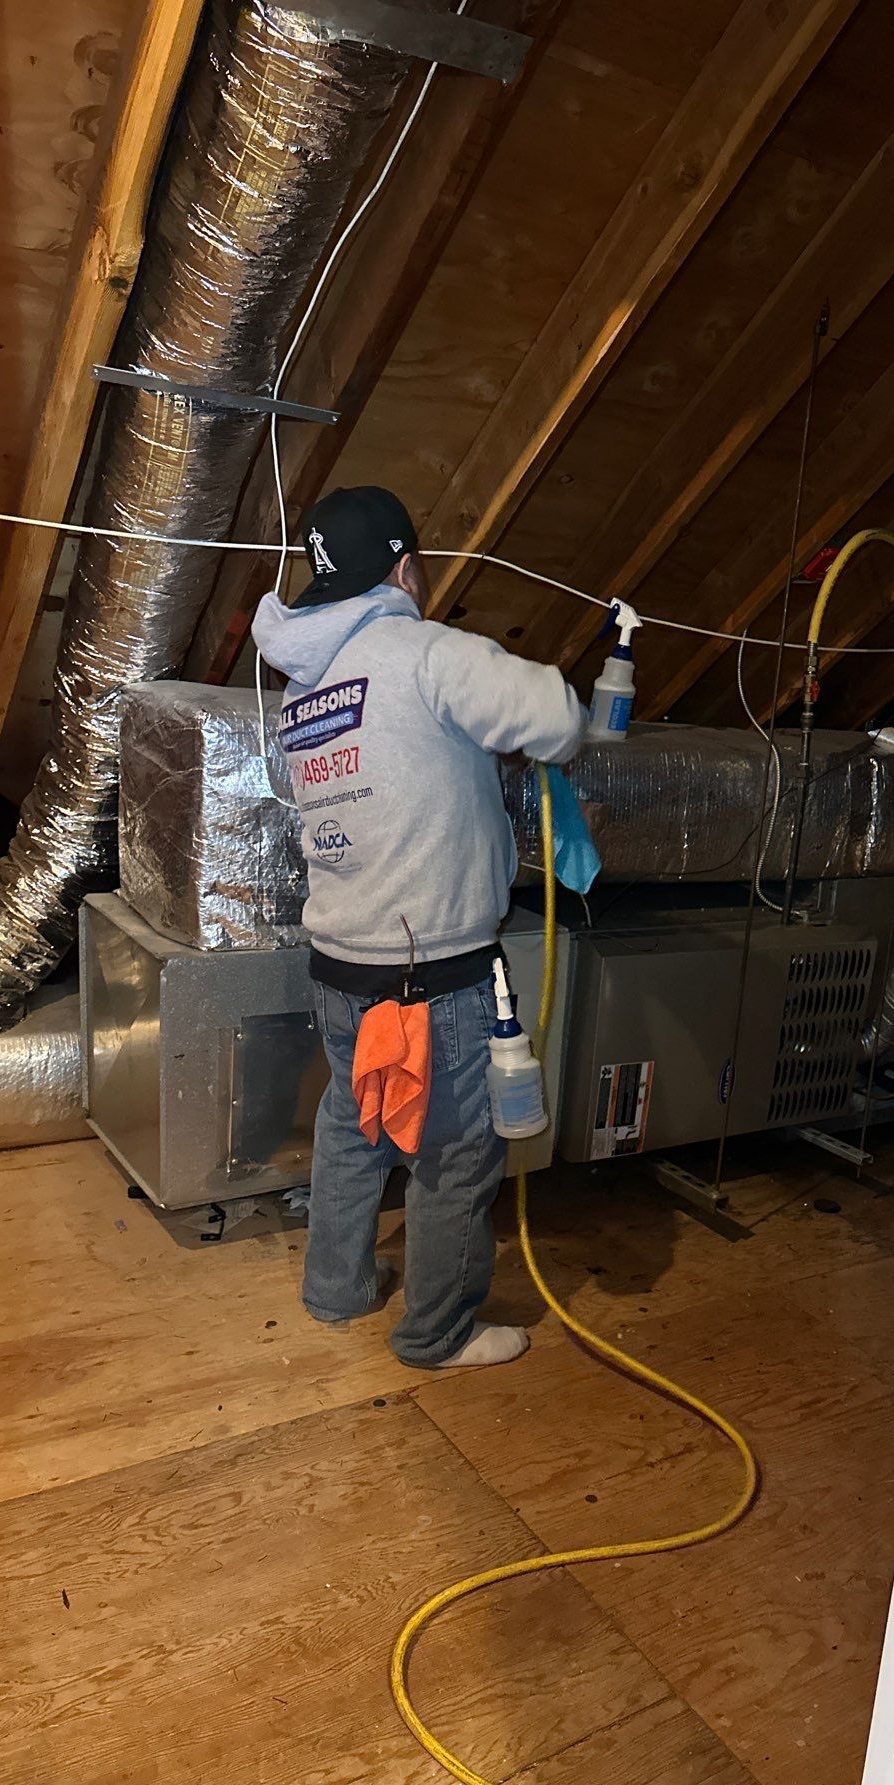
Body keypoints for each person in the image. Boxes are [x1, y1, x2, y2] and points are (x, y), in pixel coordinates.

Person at [253, 486, 584, 1369]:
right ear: (405, 568)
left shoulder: (308, 683)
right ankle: (437, 1333)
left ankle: (336, 1288)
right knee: (453, 1154)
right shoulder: (425, 653)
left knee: (355, 1127)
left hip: (341, 964)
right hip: (432, 974)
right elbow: (558, 717)